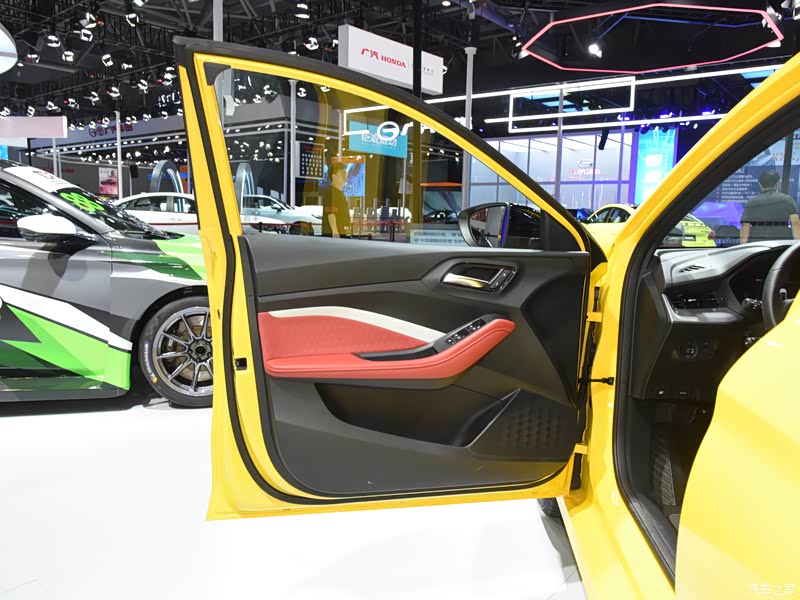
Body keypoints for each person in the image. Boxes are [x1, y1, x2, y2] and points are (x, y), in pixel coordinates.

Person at [740, 170, 800, 243]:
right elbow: (795, 223)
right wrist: (797, 245)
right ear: (777, 183)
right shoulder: (787, 200)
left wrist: (743, 246)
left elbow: (745, 226)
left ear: (760, 184)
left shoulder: (751, 202)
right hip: (781, 244)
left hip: (757, 244)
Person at [322, 162, 351, 238]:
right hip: (336, 236)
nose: (345, 176)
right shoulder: (331, 192)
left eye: (345, 173)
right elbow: (331, 214)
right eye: (342, 174)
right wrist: (335, 232)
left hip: (344, 234)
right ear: (334, 176)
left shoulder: (340, 193)